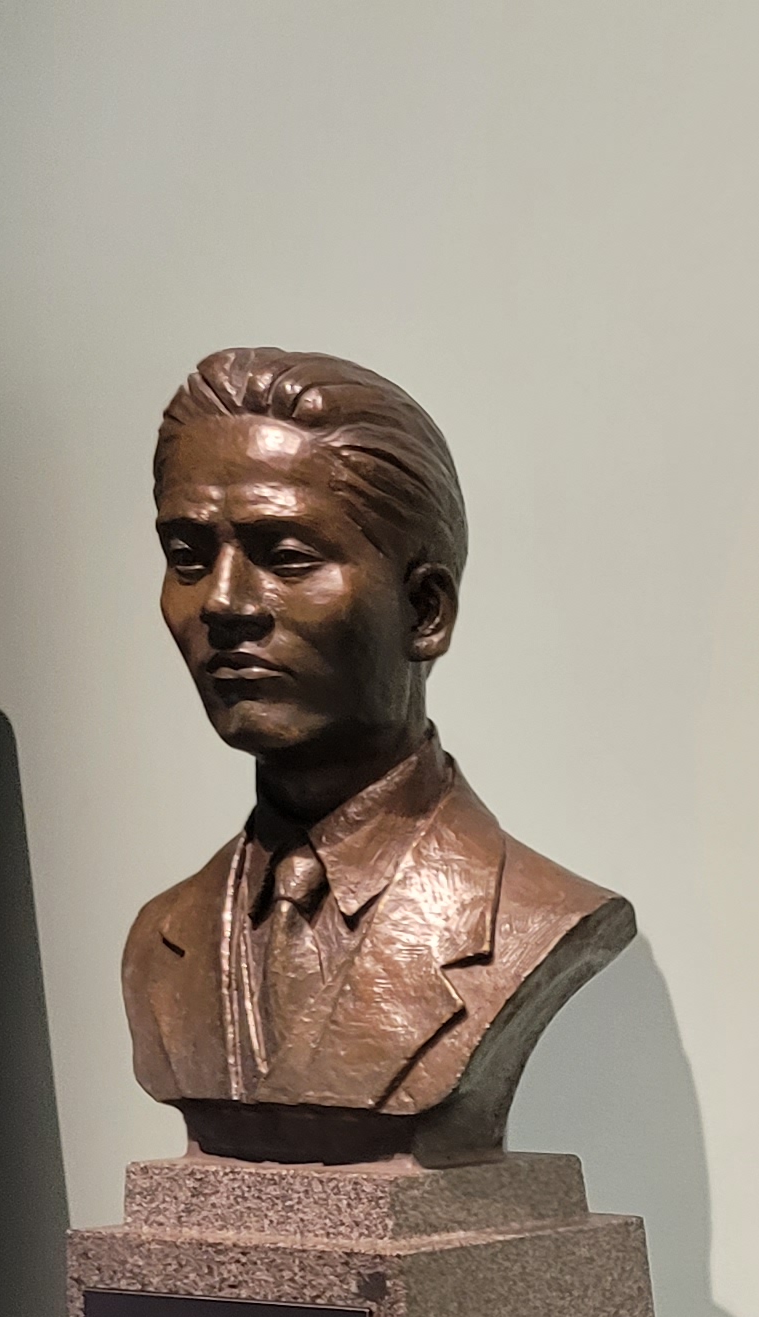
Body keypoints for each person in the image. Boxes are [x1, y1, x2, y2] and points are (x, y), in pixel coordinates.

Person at [120, 348, 630, 1165]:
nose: (222, 602)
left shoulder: (534, 918)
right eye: (188, 557)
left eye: (286, 556)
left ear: (424, 611)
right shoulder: (161, 938)